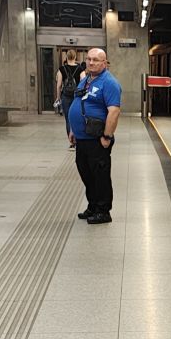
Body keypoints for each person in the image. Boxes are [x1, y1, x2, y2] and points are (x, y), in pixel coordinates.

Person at [68, 48, 121, 224]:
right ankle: (93, 205)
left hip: (97, 138)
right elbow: (79, 103)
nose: (91, 62)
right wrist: (74, 130)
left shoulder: (109, 82)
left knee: (100, 175)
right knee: (86, 172)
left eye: (96, 60)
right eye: (89, 59)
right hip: (82, 138)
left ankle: (103, 210)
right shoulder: (86, 80)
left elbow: (114, 111)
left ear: (104, 63)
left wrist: (107, 136)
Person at [55, 50, 83, 149]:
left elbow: (58, 85)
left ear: (66, 57)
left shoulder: (61, 69)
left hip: (66, 96)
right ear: (75, 57)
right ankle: (78, 138)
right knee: (77, 118)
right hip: (77, 97)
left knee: (68, 119)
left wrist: (58, 98)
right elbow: (83, 84)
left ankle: (71, 142)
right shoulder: (80, 69)